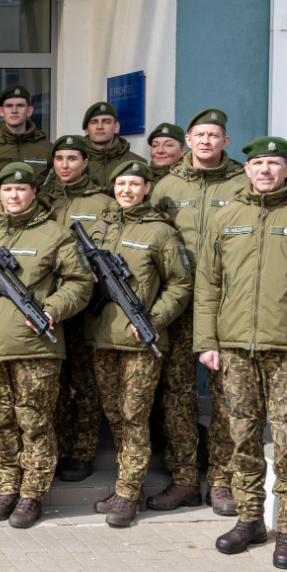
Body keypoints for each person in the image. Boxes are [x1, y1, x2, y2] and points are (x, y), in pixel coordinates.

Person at [195, 136, 287, 570]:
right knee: (240, 438)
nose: (264, 170)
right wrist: (206, 341)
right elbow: (208, 283)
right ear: (246, 168)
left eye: (273, 163)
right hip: (235, 348)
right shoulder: (227, 217)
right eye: (257, 163)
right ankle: (249, 518)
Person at [0, 163, 91, 529]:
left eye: (21, 190)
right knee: (1, 422)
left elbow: (80, 283)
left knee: (34, 423)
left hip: (35, 349)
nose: (14, 196)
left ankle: (32, 494)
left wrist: (51, 309)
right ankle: (8, 487)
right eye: (7, 190)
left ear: (34, 193)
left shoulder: (56, 235)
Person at [84, 160, 192, 527]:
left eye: (134, 184)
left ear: (147, 188)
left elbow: (180, 284)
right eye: (121, 183)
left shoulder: (161, 232)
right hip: (102, 337)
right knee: (115, 415)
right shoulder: (98, 227)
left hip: (139, 342)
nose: (126, 190)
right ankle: (127, 487)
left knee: (133, 416)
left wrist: (154, 319)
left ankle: (128, 494)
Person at [152, 108, 246, 513]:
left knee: (226, 396)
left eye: (214, 135)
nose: (206, 141)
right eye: (199, 135)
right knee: (178, 396)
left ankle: (222, 482)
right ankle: (186, 479)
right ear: (188, 141)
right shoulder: (166, 186)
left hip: (226, 306)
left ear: (225, 142)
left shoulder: (245, 183)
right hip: (178, 305)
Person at [41, 134, 111, 482]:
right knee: (55, 384)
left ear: (86, 162)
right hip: (48, 302)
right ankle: (58, 448)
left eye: (72, 159)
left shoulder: (102, 201)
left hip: (86, 304)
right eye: (59, 159)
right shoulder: (42, 198)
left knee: (84, 383)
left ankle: (82, 452)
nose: (65, 165)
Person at [0, 86, 54, 184]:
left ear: (29, 111)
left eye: (20, 106)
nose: (14, 110)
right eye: (9, 106)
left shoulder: (48, 149)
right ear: (1, 111)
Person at [79, 101, 136, 181]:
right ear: (86, 130)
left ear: (116, 127)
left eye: (106, 122)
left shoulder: (134, 162)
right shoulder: (75, 162)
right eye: (94, 122)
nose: (99, 127)